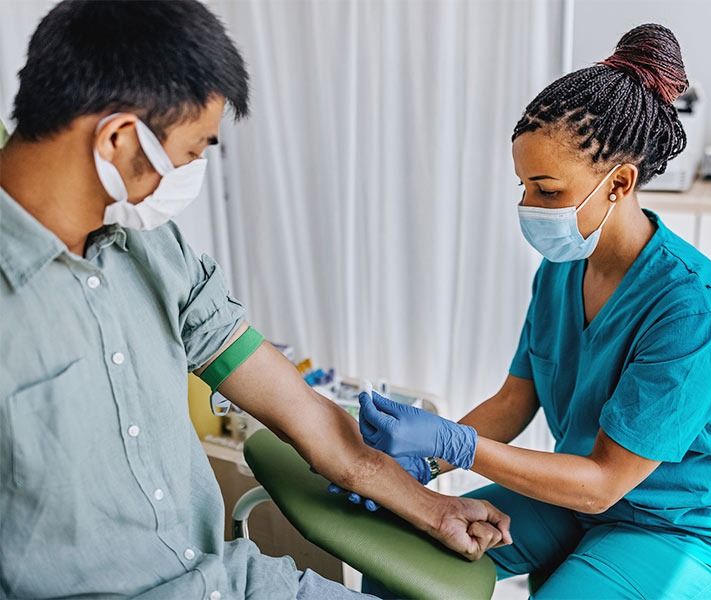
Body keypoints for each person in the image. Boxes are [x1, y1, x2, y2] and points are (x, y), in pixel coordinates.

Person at [0, 2, 510, 599]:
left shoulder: (154, 249)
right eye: (191, 152)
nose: (190, 173)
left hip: (228, 582)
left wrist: (433, 508)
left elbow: (309, 420)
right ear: (117, 138)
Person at [356, 24, 711, 599]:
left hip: (677, 526)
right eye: (523, 187)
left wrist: (454, 443)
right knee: (400, 560)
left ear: (619, 183)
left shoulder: (691, 311)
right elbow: (514, 400)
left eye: (547, 191)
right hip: (572, 495)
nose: (529, 207)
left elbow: (602, 484)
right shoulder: (563, 268)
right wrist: (420, 466)